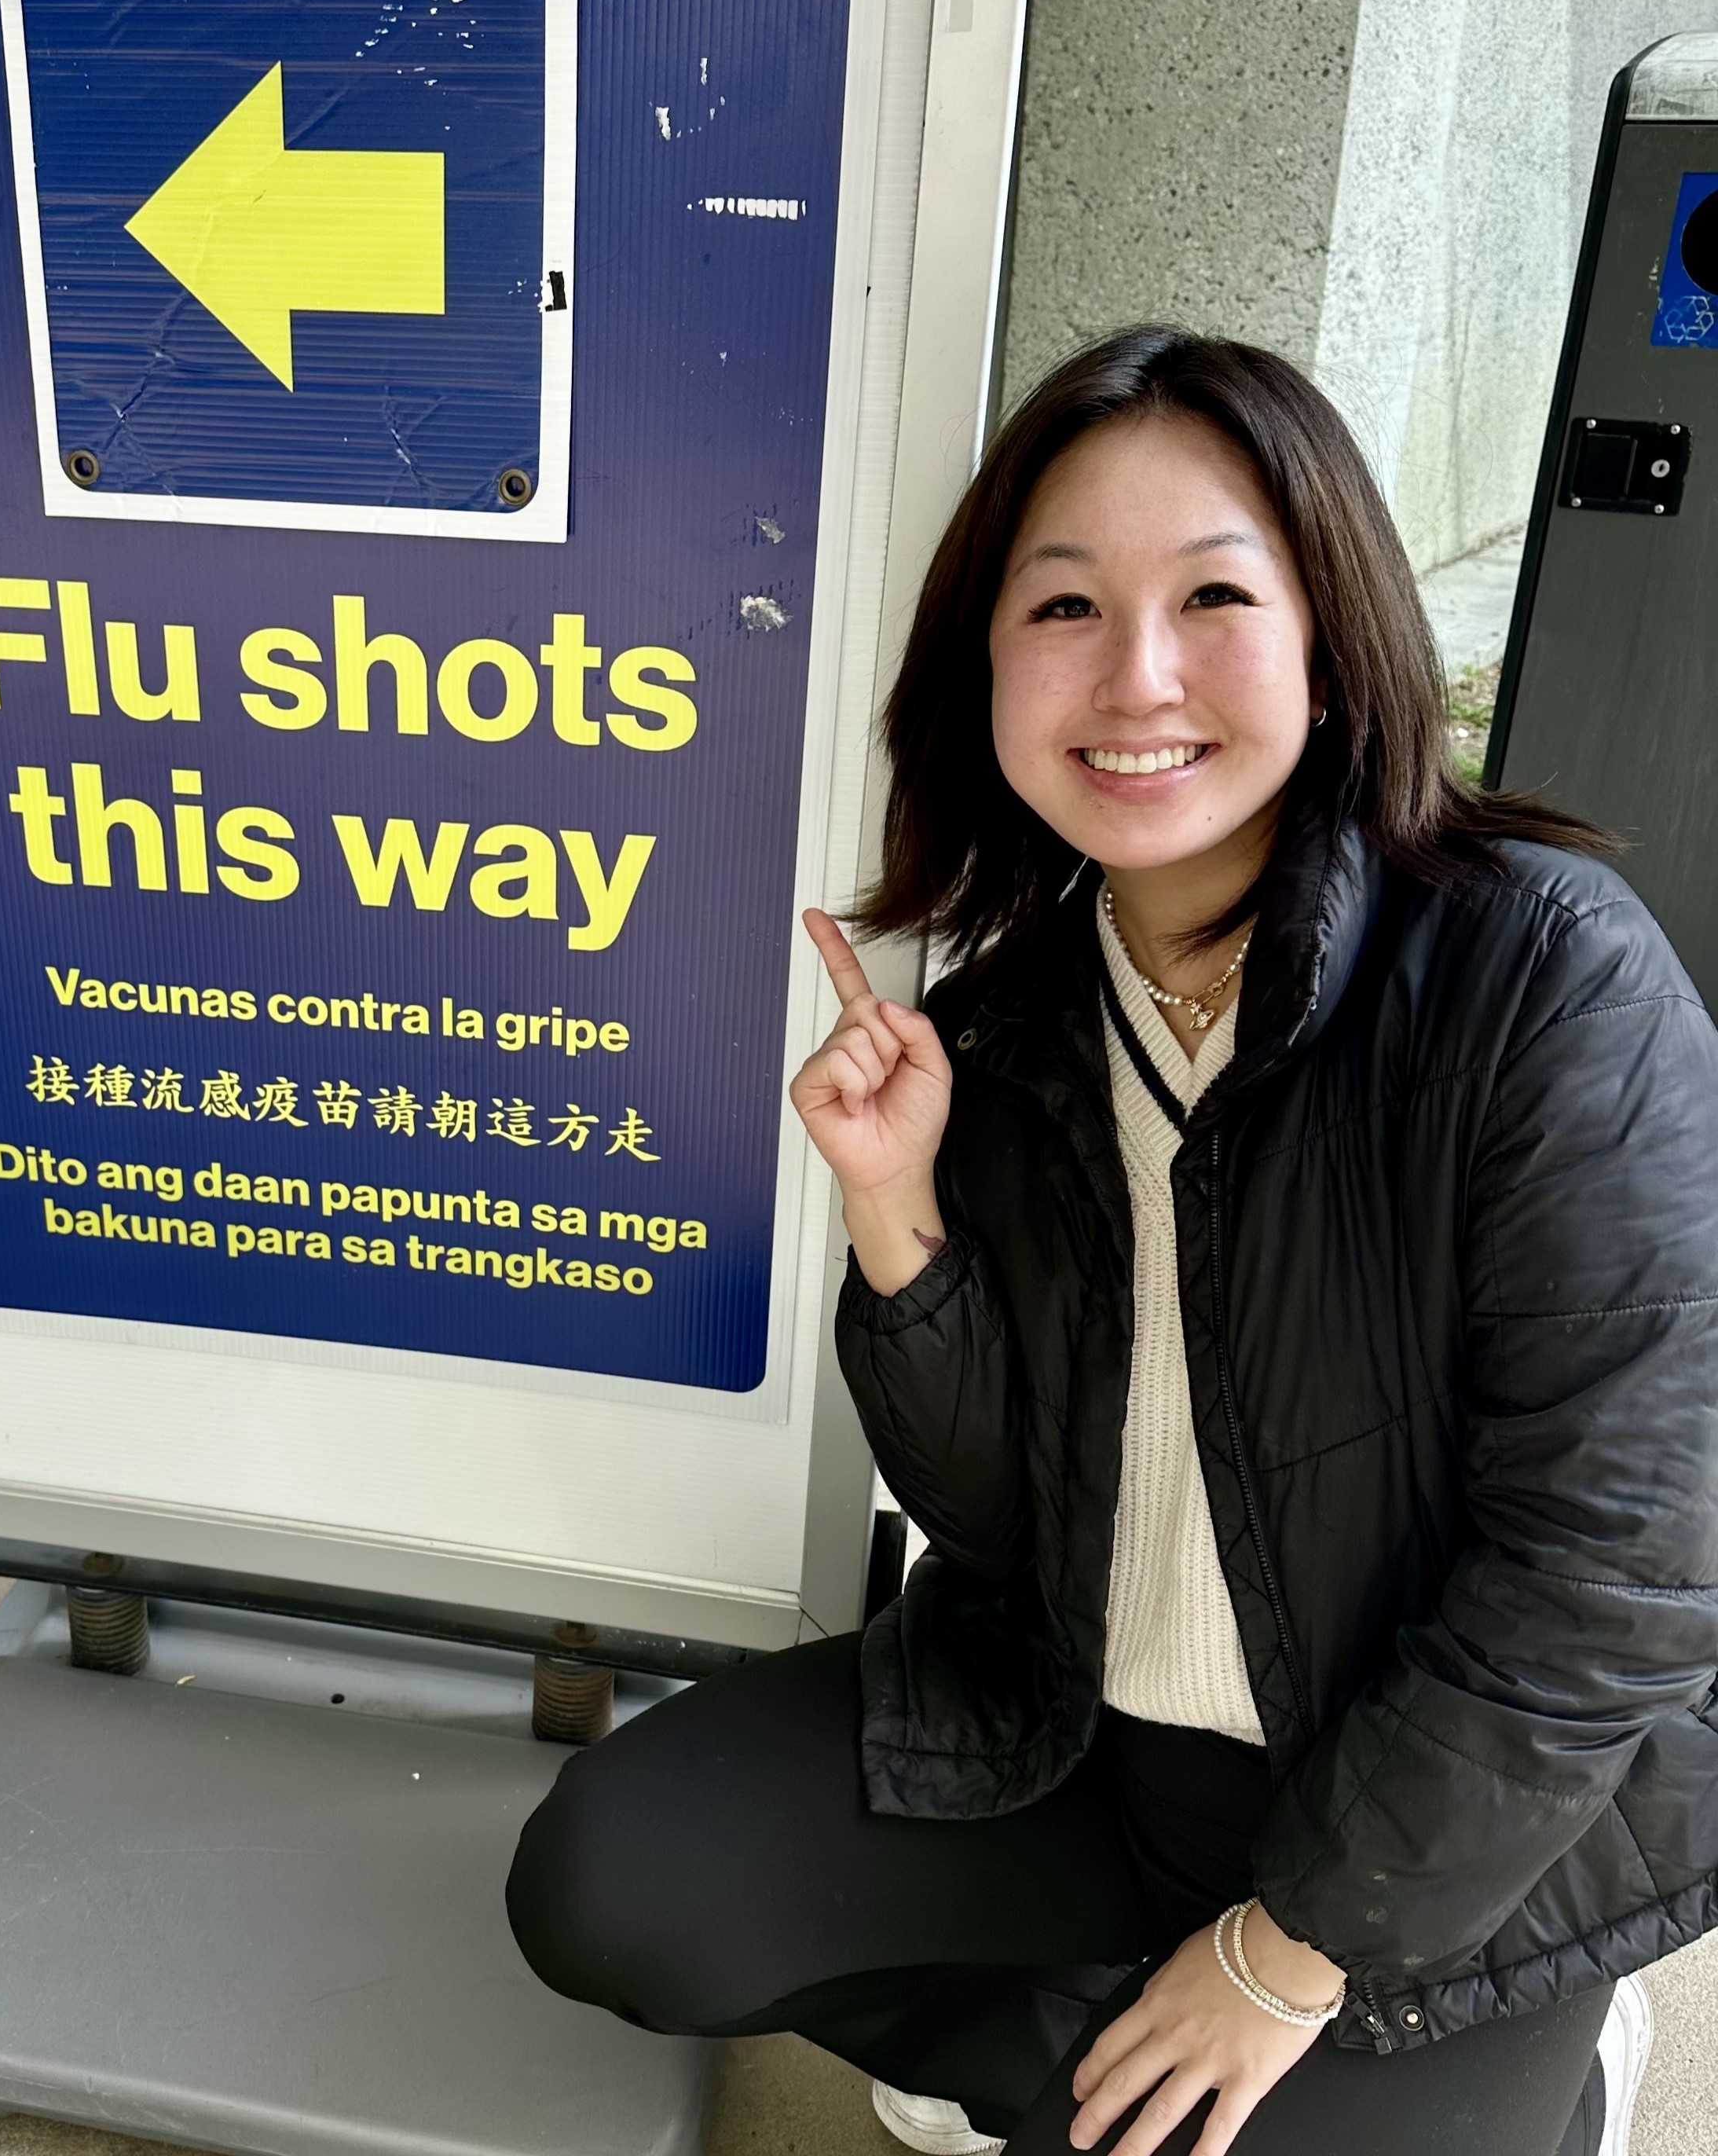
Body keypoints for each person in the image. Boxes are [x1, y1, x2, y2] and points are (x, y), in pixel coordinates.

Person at [506, 327, 1717, 2155]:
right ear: (986, 670)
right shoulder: (1008, 1034)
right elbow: (992, 1519)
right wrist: (895, 1199)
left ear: (1333, 636)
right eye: (1063, 607)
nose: (1136, 674)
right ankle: (1104, 2045)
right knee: (610, 1884)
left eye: (1215, 594)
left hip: (1438, 1819)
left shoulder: (1535, 971)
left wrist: (1288, 1954)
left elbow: (1628, 1567)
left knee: (1149, 2129)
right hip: (1084, 1740)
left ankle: (1535, 2074)